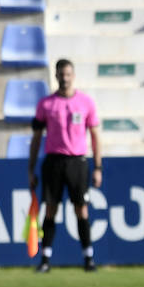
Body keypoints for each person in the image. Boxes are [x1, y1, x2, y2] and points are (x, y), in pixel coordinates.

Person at [28, 59, 103, 273]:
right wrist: (31, 169)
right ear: (56, 75)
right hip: (53, 161)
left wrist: (98, 167)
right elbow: (35, 138)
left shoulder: (86, 103)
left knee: (82, 209)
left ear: (73, 75)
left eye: (68, 74)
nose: (64, 78)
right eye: (61, 74)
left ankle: (88, 257)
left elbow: (96, 136)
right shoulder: (46, 104)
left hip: (77, 161)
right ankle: (45, 259)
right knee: (50, 209)